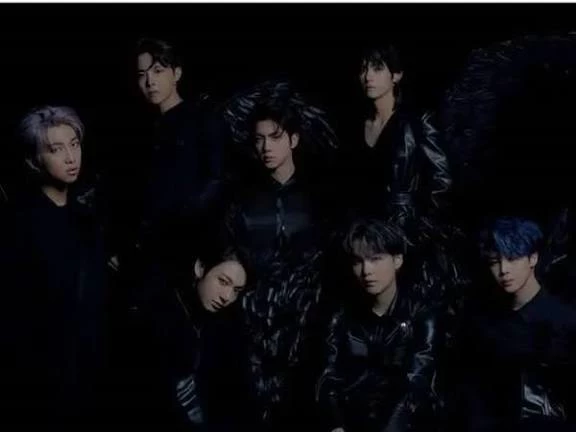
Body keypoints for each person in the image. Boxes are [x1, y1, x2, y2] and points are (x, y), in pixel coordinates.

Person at [0, 106, 109, 424]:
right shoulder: (19, 222)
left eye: (74, 144)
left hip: (91, 366)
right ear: (35, 160)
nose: (71, 157)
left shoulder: (87, 220)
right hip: (44, 375)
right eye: (56, 149)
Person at [316, 218, 442, 432]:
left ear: (397, 260)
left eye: (376, 259)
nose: (366, 271)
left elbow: (416, 383)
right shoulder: (341, 316)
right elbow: (328, 377)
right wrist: (336, 425)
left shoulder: (421, 315)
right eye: (358, 261)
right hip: (351, 421)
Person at [454, 217, 576, 432]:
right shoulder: (484, 323)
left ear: (533, 258)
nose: (503, 270)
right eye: (494, 262)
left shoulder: (564, 320)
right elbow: (474, 394)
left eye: (512, 258)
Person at [173, 244, 255, 430]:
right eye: (223, 281)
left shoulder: (226, 327)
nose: (227, 296)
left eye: (236, 290)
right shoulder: (163, 313)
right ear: (200, 268)